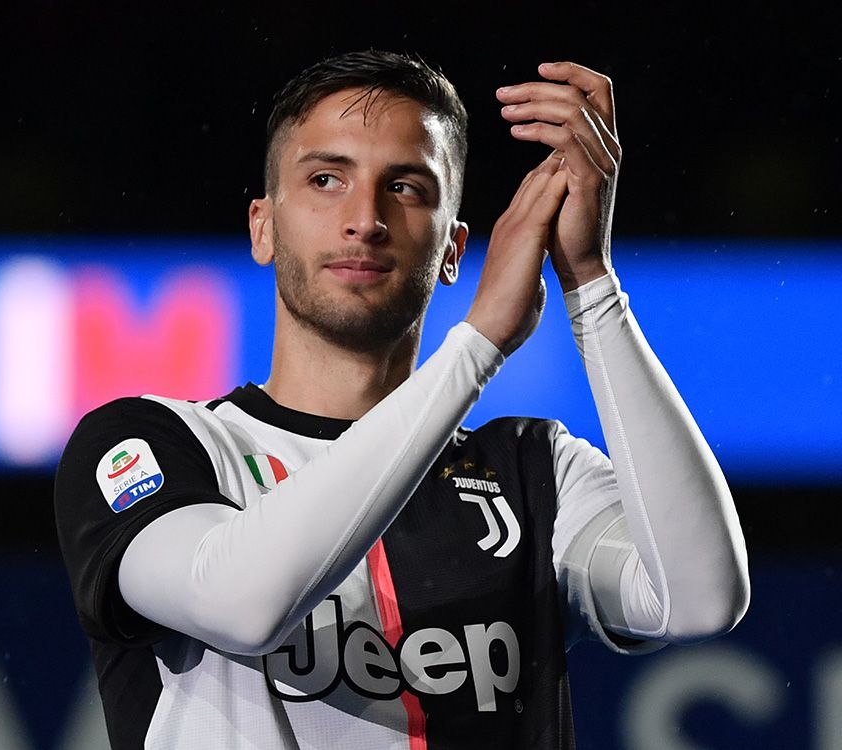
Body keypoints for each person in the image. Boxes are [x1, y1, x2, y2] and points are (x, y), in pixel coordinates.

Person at [54, 50, 750, 749]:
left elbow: (699, 599)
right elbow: (242, 603)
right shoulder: (150, 445)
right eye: (326, 179)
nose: (365, 218)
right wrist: (476, 346)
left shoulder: (535, 472)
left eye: (408, 188)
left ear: (454, 249)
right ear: (263, 227)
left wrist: (592, 286)